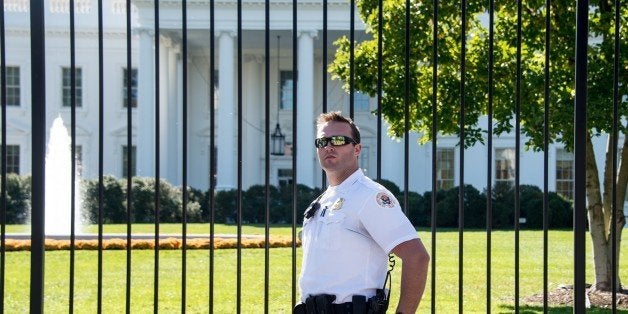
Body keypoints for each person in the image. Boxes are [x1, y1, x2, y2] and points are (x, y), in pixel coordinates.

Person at [295, 111, 430, 314]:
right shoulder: (322, 201)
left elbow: (417, 257)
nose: (329, 146)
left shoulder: (370, 196)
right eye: (322, 141)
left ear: (357, 148)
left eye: (339, 140)